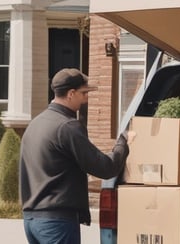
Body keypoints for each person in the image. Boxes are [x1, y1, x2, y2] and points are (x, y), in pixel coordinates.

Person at [20, 68, 134, 244]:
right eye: (84, 93)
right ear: (71, 94)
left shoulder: (35, 124)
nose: (86, 98)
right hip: (56, 223)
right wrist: (123, 142)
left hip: (32, 220)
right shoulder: (67, 126)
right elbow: (105, 168)